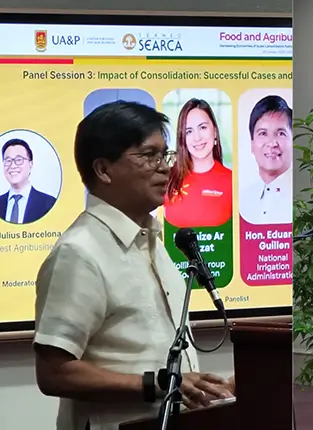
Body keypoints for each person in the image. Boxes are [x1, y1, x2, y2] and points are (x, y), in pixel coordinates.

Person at [32, 101, 234, 430]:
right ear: (103, 170)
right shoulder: (78, 253)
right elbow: (54, 373)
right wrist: (157, 385)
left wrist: (211, 389)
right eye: (149, 155)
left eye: (165, 155)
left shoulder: (154, 242)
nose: (165, 168)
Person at [164, 98, 233, 227]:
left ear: (215, 132)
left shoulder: (232, 182)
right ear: (182, 138)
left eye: (203, 127)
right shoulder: (167, 180)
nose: (197, 138)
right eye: (189, 131)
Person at [238, 95, 292, 225]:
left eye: (280, 134)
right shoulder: (242, 198)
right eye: (263, 133)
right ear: (252, 144)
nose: (272, 143)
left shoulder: (299, 197)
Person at [1, 137, 58, 224]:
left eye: (19, 160)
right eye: (8, 161)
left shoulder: (49, 204)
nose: (12, 166)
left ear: (30, 165)